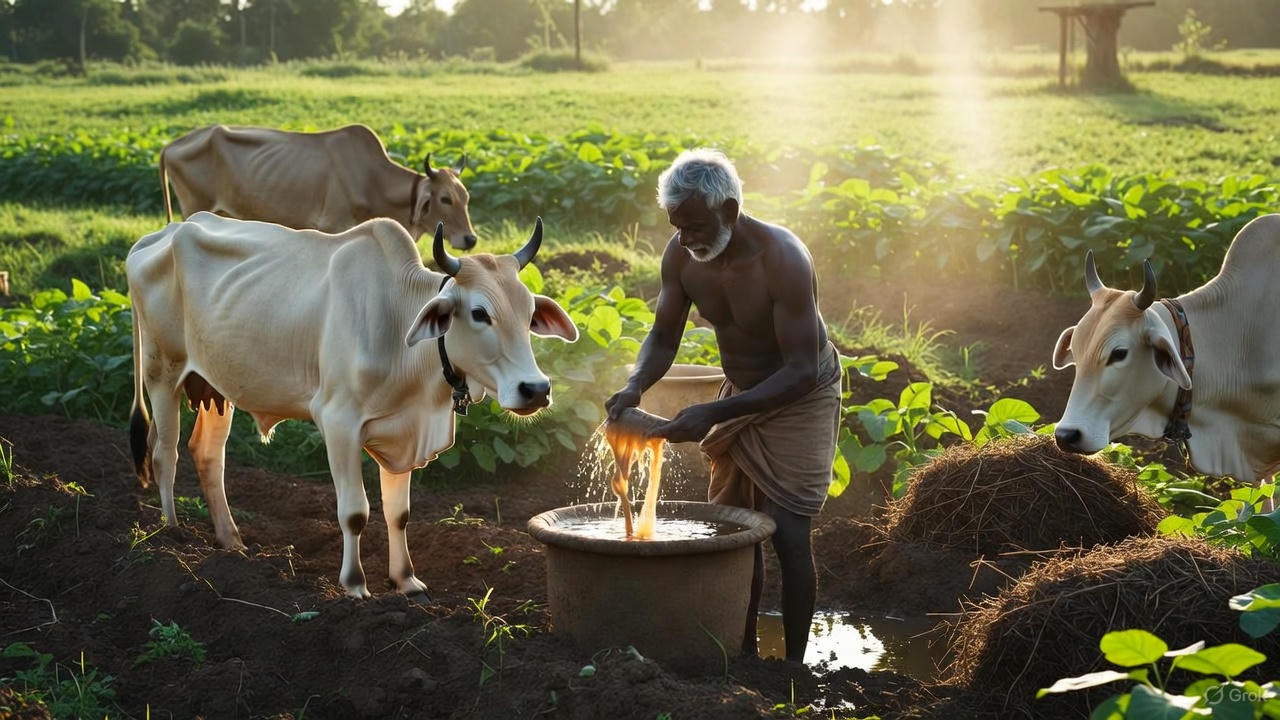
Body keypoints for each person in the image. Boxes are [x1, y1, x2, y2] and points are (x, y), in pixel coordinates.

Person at [605, 149, 842, 663]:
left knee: (790, 533)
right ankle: (744, 651)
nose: (685, 238)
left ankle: (794, 668)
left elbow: (800, 369)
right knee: (736, 527)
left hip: (802, 394)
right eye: (677, 227)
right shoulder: (682, 256)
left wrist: (712, 414)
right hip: (742, 392)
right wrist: (635, 386)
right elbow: (663, 337)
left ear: (729, 211)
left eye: (693, 225)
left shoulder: (783, 258)